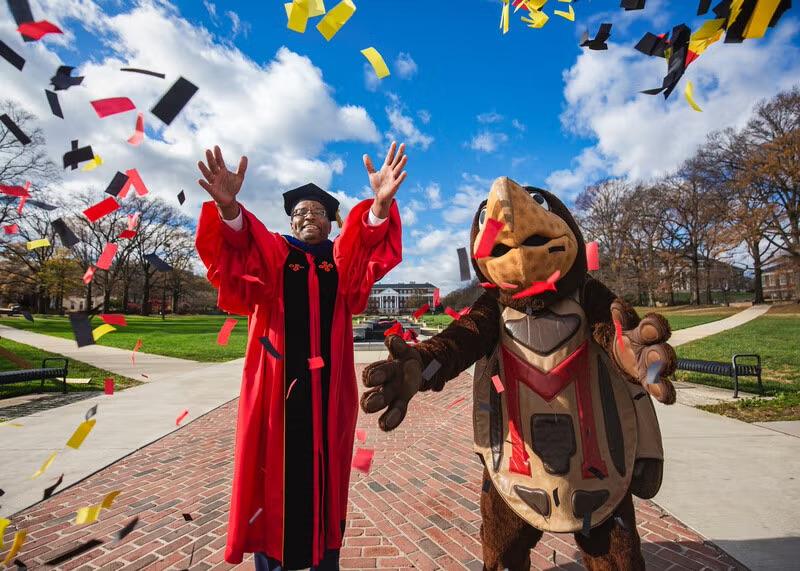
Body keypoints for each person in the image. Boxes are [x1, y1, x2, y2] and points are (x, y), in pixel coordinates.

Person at [195, 142, 408, 570]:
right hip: (276, 391)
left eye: (318, 212)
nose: (308, 216)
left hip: (330, 395)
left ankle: (324, 561)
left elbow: (365, 246)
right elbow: (240, 247)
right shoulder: (276, 254)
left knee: (326, 480)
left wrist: (379, 208)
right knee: (271, 475)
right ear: (290, 221)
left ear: (332, 223)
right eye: (300, 213)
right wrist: (230, 211)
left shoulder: (340, 261)